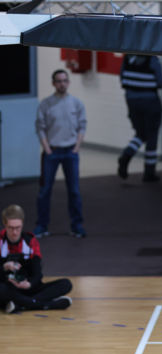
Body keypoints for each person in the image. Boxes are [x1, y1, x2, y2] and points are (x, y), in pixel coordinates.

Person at [34, 69, 87, 238]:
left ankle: (76, 225)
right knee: (45, 191)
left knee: (74, 191)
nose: (62, 84)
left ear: (68, 82)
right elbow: (40, 127)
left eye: (64, 80)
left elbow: (82, 125)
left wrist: (77, 147)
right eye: (58, 81)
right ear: (53, 83)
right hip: (52, 152)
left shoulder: (76, 103)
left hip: (71, 151)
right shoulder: (46, 104)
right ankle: (42, 226)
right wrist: (47, 148)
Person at [1, 205, 72, 314]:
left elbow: (38, 273)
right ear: (4, 225)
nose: (14, 232)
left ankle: (21, 305)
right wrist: (4, 267)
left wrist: (29, 284)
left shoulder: (30, 241)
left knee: (66, 284)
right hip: (8, 288)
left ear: (22, 224)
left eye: (18, 228)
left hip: (28, 288)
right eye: (11, 228)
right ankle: (46, 304)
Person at [117, 55, 162, 182]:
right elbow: (161, 83)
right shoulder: (152, 60)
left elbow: (122, 78)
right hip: (150, 101)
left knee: (141, 133)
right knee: (152, 136)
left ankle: (127, 155)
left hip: (131, 101)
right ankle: (149, 172)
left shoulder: (128, 58)